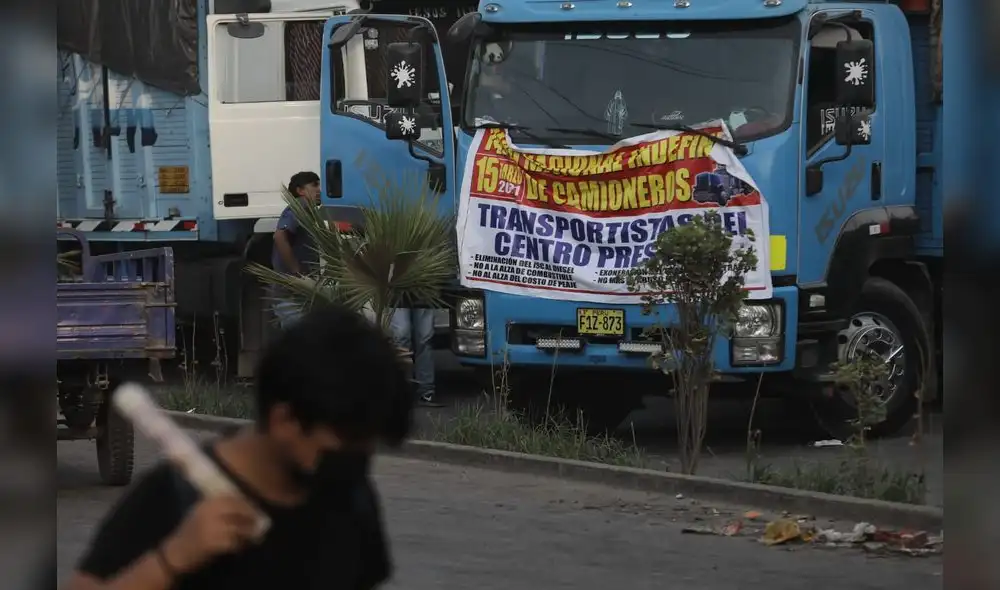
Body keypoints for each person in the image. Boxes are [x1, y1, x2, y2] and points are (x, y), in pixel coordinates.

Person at [65, 303, 414, 590]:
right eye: (347, 439)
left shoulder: (352, 498)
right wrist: (173, 558)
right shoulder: (172, 497)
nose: (358, 457)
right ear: (284, 420)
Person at [271, 171, 322, 328]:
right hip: (292, 297)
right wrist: (298, 273)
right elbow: (279, 236)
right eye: (314, 185)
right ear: (300, 191)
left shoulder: (309, 212)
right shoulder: (299, 207)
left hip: (297, 296)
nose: (320, 190)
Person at [389, 306, 440, 407]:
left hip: (422, 298)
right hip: (398, 298)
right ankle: (401, 389)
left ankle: (426, 391)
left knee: (424, 338)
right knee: (402, 335)